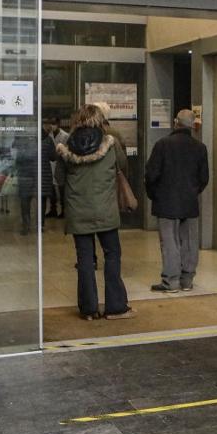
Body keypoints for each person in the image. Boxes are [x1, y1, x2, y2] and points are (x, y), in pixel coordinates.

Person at [56, 105, 133, 321]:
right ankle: (116, 307)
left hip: (78, 212)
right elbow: (123, 168)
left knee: (85, 260)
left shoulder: (65, 147)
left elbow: (60, 180)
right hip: (105, 210)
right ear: (100, 120)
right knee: (112, 255)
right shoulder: (111, 144)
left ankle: (89, 310)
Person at [145, 109, 209, 293]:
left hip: (165, 202)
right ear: (192, 126)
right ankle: (187, 280)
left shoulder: (162, 145)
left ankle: (171, 282)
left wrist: (154, 194)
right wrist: (193, 192)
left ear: (175, 123)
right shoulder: (200, 147)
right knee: (189, 241)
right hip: (189, 201)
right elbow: (204, 178)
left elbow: (151, 174)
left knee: (169, 242)